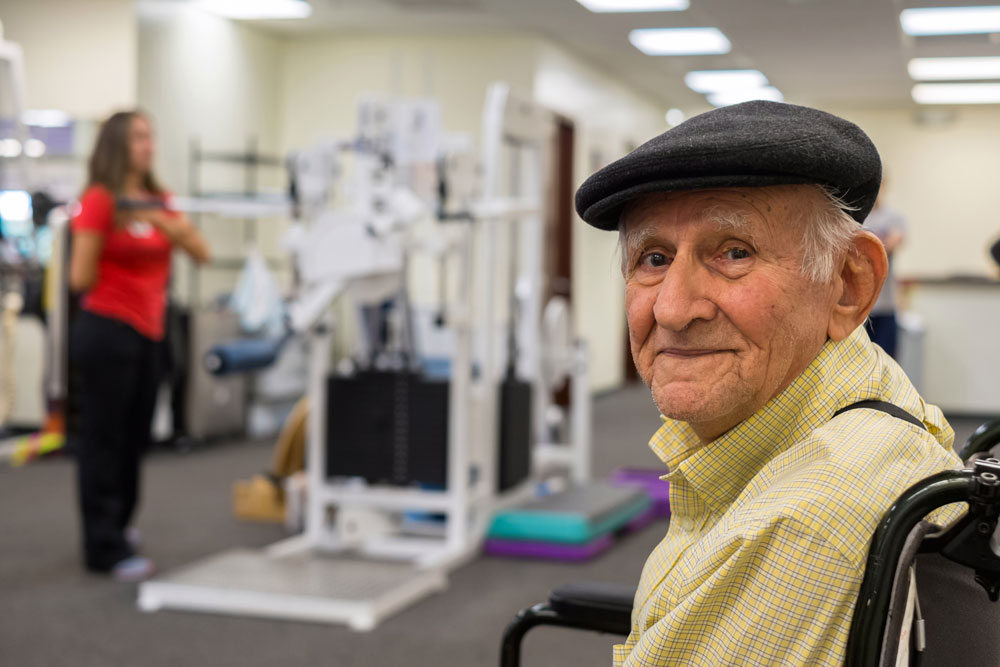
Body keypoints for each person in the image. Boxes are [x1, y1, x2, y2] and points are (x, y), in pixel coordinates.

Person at [574, 101, 962, 666]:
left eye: (733, 253)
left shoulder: (803, 524)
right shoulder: (854, 392)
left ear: (849, 285)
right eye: (653, 258)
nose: (674, 309)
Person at [68, 110, 210, 581]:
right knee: (104, 440)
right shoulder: (100, 200)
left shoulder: (160, 199)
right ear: (117, 145)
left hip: (151, 332)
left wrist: (158, 220)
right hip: (107, 328)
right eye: (138, 138)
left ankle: (120, 525)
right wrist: (122, 232)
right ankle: (101, 545)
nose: (148, 145)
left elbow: (201, 253)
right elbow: (79, 276)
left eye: (151, 136)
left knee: (136, 438)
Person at [864, 178, 907, 358]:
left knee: (886, 360)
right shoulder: (857, 216)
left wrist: (866, 245)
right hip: (860, 308)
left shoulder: (894, 217)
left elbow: (893, 243)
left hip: (886, 304)